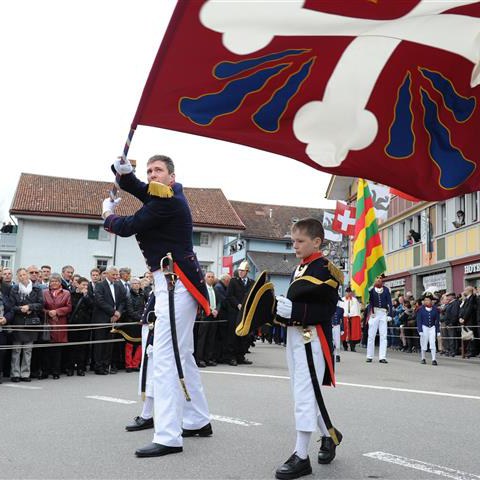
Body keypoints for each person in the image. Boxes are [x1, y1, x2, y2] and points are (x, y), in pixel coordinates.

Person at [103, 154, 212, 458]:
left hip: (176, 283)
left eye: (158, 170)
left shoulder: (168, 202)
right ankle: (199, 419)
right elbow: (140, 188)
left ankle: (168, 435)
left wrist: (107, 214)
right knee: (183, 355)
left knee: (164, 358)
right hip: (170, 283)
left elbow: (127, 226)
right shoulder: (162, 196)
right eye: (149, 170)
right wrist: (124, 175)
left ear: (171, 177)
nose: (151, 175)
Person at [274, 218, 342, 480]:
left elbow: (327, 309)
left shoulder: (326, 269)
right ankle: (329, 436)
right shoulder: (299, 268)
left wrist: (296, 311)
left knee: (304, 394)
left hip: (312, 337)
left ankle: (301, 456)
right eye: (293, 241)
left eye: (300, 241)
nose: (295, 246)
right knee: (302, 393)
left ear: (317, 241)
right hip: (295, 336)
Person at [9, 268, 44, 382]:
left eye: (24, 274)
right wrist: (21, 309)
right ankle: (15, 374)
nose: (23, 277)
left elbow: (40, 304)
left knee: (28, 350)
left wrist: (30, 307)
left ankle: (25, 374)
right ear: (17, 277)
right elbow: (11, 306)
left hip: (31, 322)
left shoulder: (37, 289)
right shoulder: (14, 289)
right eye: (20, 275)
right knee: (16, 350)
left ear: (28, 275)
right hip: (18, 322)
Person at [91, 266, 128, 374]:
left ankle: (106, 365)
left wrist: (118, 313)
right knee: (100, 344)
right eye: (114, 275)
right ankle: (98, 366)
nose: (116, 277)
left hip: (114, 320)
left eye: (117, 275)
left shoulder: (118, 286)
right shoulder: (100, 285)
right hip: (101, 319)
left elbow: (123, 301)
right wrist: (113, 312)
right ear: (107, 274)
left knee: (109, 344)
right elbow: (99, 301)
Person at [42, 273, 72, 379]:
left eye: (56, 281)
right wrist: (49, 312)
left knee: (57, 349)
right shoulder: (44, 292)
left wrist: (57, 312)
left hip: (60, 323)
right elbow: (41, 306)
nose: (54, 283)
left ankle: (56, 372)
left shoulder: (66, 293)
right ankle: (45, 371)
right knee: (46, 349)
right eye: (52, 281)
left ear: (60, 283)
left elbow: (68, 307)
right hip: (48, 323)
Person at [225, 261, 254, 366]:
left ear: (247, 271)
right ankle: (232, 357)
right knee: (233, 335)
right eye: (240, 270)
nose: (240, 272)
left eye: (243, 271)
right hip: (235, 312)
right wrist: (237, 304)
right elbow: (229, 295)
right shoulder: (233, 281)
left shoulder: (252, 282)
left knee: (244, 335)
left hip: (246, 313)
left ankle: (241, 356)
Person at [67, 276, 93, 376]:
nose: (85, 287)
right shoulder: (71, 294)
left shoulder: (89, 295)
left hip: (85, 323)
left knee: (82, 347)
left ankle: (80, 368)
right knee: (72, 347)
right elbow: (70, 307)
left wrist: (85, 296)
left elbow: (92, 306)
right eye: (83, 285)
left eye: (87, 285)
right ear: (78, 284)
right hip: (73, 323)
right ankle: (70, 367)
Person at [366, 276, 393, 364]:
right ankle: (369, 356)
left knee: (383, 336)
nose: (378, 280)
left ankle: (382, 357)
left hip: (383, 313)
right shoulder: (371, 290)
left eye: (380, 278)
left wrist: (390, 314)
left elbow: (389, 302)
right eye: (377, 278)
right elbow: (369, 301)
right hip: (374, 313)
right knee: (371, 335)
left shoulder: (386, 290)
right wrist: (371, 312)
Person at [195, 271, 218, 368]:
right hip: (205, 316)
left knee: (211, 338)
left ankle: (208, 358)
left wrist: (216, 309)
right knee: (202, 339)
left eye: (212, 277)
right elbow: (201, 302)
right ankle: (199, 359)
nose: (211, 278)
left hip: (214, 316)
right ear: (205, 278)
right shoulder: (203, 289)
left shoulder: (215, 289)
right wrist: (211, 309)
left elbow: (219, 301)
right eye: (208, 277)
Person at [416, 293, 440, 365]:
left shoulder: (436, 309)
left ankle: (434, 359)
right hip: (424, 327)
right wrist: (420, 330)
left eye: (428, 300)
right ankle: (423, 358)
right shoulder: (420, 309)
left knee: (432, 343)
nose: (426, 301)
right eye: (425, 300)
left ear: (431, 301)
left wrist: (438, 330)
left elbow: (437, 321)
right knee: (424, 342)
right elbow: (419, 320)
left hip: (432, 327)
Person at [340, 287, 361, 352]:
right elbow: (340, 309)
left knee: (353, 333)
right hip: (344, 317)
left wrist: (352, 314)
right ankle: (345, 346)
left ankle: (352, 347)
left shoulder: (354, 300)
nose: (348, 293)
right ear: (345, 292)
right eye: (347, 292)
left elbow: (357, 309)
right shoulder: (342, 300)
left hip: (353, 318)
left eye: (350, 292)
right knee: (344, 333)